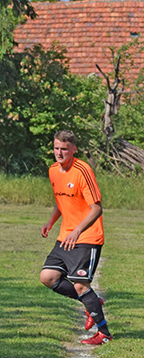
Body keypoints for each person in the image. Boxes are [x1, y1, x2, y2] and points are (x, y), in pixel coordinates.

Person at [39, 130, 110, 345]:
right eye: (56, 148)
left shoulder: (82, 170)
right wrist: (51, 222)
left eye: (64, 149)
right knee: (48, 277)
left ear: (73, 150)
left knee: (80, 284)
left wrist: (77, 230)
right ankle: (92, 302)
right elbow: (61, 201)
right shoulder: (53, 171)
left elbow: (96, 208)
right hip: (65, 236)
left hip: (87, 236)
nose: (59, 153)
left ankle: (104, 333)